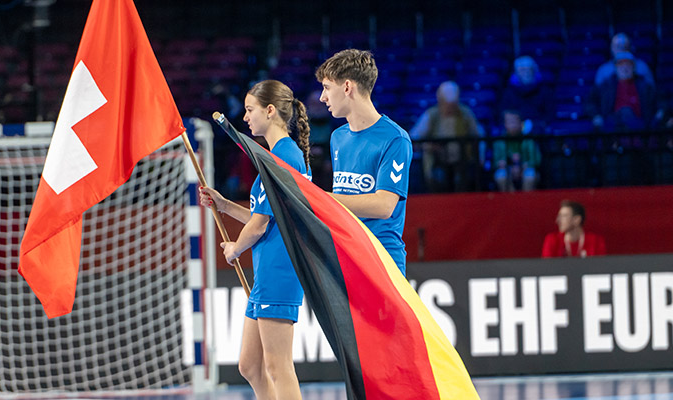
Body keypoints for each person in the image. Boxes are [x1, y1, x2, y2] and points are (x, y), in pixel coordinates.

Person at [199, 80, 309, 400]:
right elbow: (263, 217)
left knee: (278, 366)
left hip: (280, 269)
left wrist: (235, 248)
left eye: (250, 110)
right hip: (267, 269)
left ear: (270, 111)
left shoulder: (283, 156)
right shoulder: (276, 156)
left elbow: (260, 226)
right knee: (250, 365)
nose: (245, 118)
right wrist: (224, 205)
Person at [316, 49, 413, 274]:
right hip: (345, 255)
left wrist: (320, 200)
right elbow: (346, 202)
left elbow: (384, 206)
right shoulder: (337, 137)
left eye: (327, 87)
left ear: (347, 87)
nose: (322, 97)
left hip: (381, 260)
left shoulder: (395, 138)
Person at [408, 81, 481, 192]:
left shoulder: (465, 114)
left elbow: (479, 134)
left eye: (453, 105)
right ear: (440, 100)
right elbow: (414, 137)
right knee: (438, 180)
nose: (450, 108)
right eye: (447, 104)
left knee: (464, 181)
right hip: (438, 162)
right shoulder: (431, 115)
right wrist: (427, 146)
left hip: (462, 161)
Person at [588, 51, 659, 131]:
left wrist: (660, 113)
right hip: (612, 125)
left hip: (639, 124)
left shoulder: (645, 85)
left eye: (628, 64)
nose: (625, 68)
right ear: (616, 68)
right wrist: (596, 115)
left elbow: (661, 100)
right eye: (621, 65)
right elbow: (589, 102)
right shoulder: (605, 85)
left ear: (634, 67)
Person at [493, 110, 541, 192]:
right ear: (505, 124)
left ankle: (526, 201)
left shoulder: (528, 140)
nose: (512, 125)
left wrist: (524, 165)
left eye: (515, 121)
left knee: (530, 175)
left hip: (525, 169)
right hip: (508, 169)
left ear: (521, 123)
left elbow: (537, 160)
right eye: (509, 122)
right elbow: (494, 162)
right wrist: (503, 164)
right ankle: (511, 201)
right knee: (501, 176)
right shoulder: (500, 141)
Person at [499, 56, 553, 128]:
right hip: (515, 130)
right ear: (516, 72)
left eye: (528, 69)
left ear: (534, 70)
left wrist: (536, 125)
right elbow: (505, 114)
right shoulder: (509, 93)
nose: (525, 73)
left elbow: (550, 114)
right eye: (522, 70)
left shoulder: (545, 91)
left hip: (540, 131)